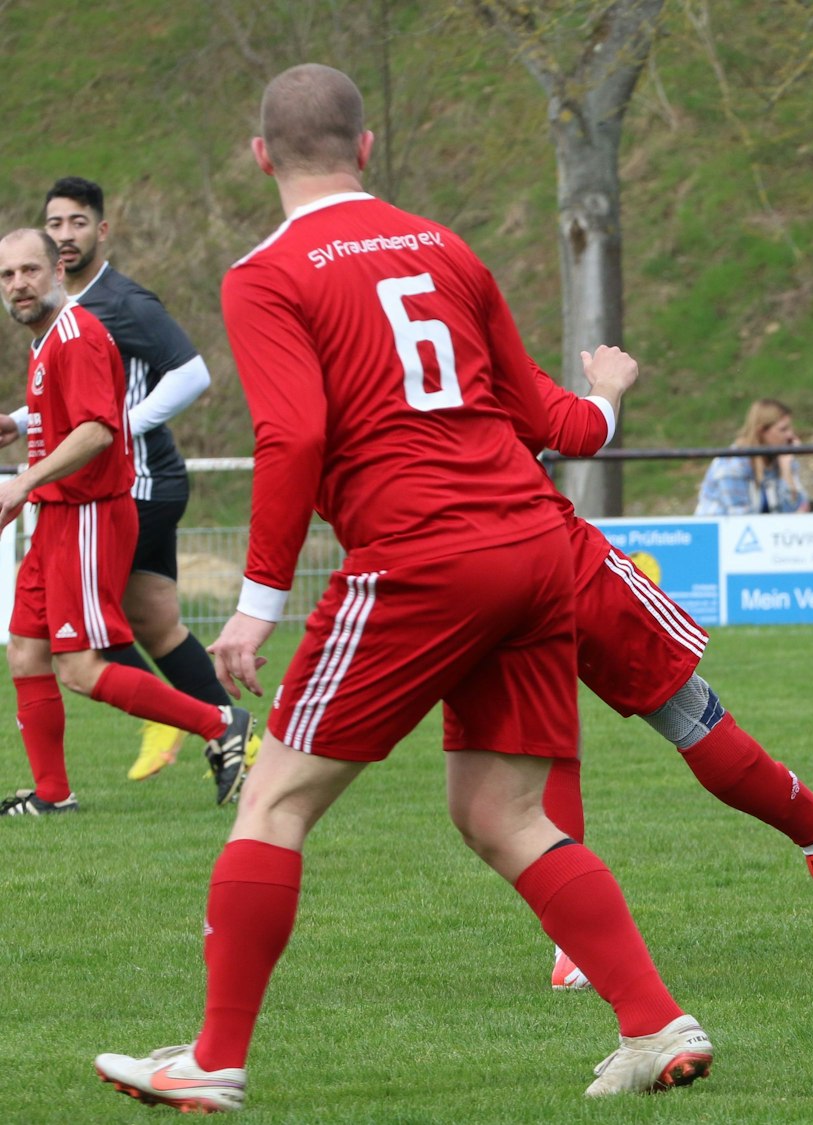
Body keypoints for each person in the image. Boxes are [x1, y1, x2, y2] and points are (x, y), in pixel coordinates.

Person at [94, 65, 710, 1111]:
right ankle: (655, 1025)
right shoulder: (445, 248)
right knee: (502, 813)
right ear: (367, 148)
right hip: (529, 545)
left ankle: (213, 1060)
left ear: (260, 156)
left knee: (273, 797)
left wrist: (257, 599)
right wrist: (604, 396)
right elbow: (549, 421)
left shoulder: (266, 272)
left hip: (421, 557)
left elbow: (294, 433)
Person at [526, 357, 813, 990]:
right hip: (541, 549)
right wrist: (609, 385)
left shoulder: (347, 368)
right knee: (683, 702)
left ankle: (577, 949)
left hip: (443, 569)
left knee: (536, 750)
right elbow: (578, 430)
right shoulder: (469, 330)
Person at [0, 229, 255, 818]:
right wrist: (29, 486)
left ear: (57, 272)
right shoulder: (44, 342)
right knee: (25, 654)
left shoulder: (78, 336)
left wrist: (24, 481)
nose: (19, 284)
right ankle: (51, 795)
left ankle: (219, 723)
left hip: (88, 517)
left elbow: (97, 431)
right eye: (9, 275)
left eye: (30, 270)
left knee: (84, 670)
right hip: (57, 515)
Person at [694, 397, 810, 515]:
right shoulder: (733, 464)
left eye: (790, 428)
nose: (790, 435)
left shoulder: (782, 459)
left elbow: (796, 513)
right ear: (761, 432)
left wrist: (786, 471)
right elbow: (741, 521)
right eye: (783, 430)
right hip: (718, 531)